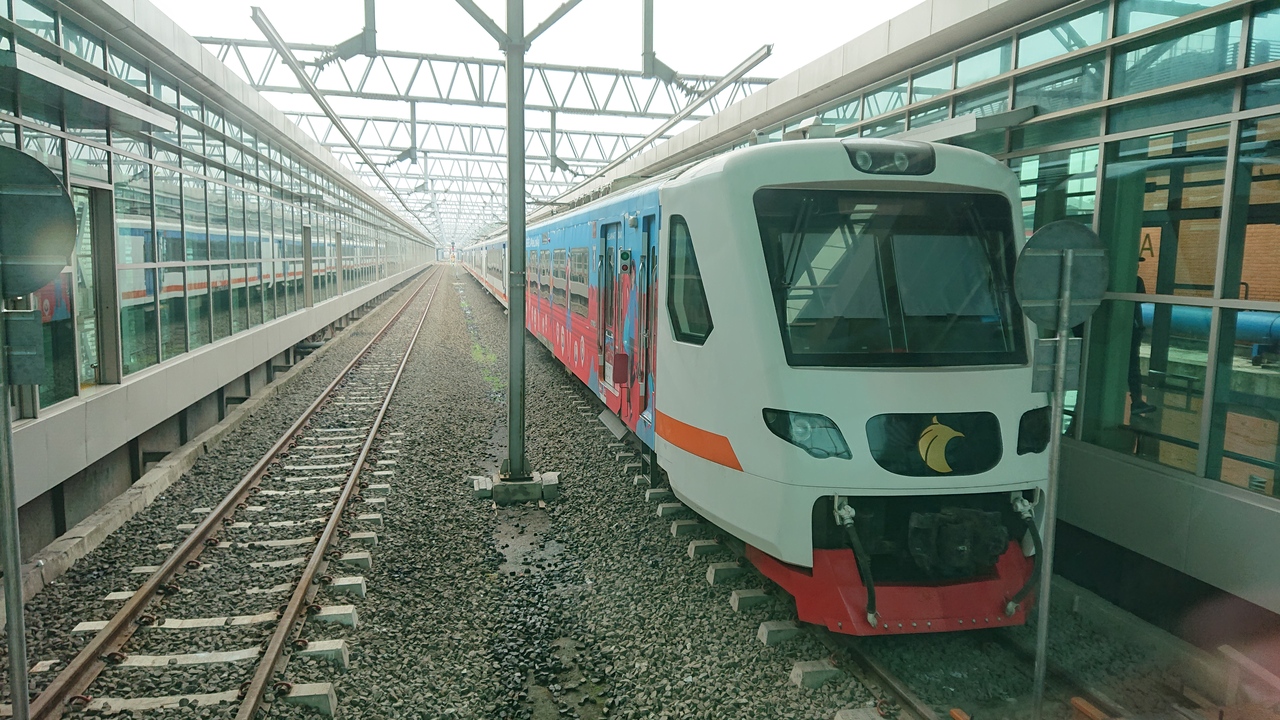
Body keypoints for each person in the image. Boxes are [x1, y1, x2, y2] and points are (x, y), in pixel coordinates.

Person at [1130, 260, 1157, 416]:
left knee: (1133, 367)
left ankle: (1137, 400)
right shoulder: (1136, 281)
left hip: (1133, 329)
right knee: (1133, 367)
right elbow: (1141, 300)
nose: (1137, 266)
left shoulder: (1132, 281)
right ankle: (1136, 400)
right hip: (1132, 329)